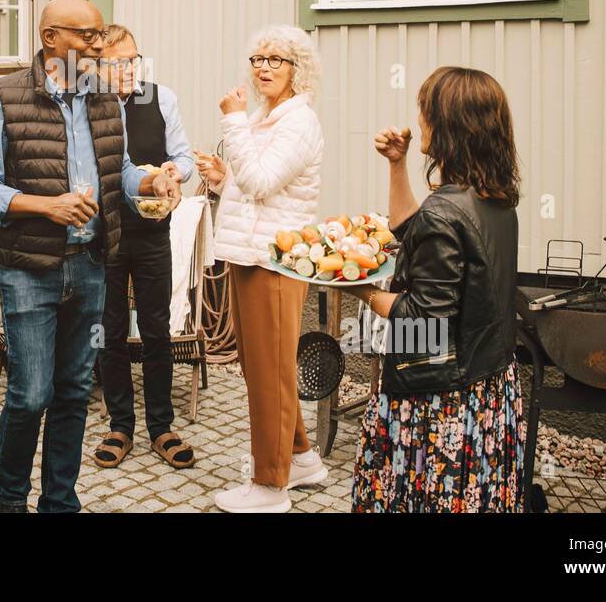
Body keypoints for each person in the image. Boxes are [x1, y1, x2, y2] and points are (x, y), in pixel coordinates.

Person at [0, 0, 180, 513]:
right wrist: (44, 206)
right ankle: (11, 498)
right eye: (88, 36)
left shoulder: (106, 98)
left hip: (90, 266)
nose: (98, 45)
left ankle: (60, 500)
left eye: (100, 35)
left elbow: (118, 169)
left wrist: (148, 178)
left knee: (74, 391)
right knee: (30, 394)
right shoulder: (5, 98)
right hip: (29, 269)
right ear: (51, 37)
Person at [345, 67, 524, 513]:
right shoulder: (493, 197)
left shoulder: (445, 211)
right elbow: (412, 231)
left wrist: (360, 289)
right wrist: (396, 164)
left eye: (426, 111)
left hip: (440, 402)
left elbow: (423, 320)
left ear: (448, 126)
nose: (419, 119)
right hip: (490, 389)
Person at [195, 25, 326, 513]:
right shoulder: (267, 116)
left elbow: (263, 181)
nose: (263, 68)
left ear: (297, 68)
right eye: (257, 59)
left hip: (273, 262)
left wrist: (232, 124)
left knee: (269, 371)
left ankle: (271, 486)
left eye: (276, 59)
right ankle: (302, 458)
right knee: (262, 367)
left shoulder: (297, 121)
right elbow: (252, 184)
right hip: (248, 255)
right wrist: (223, 176)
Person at [92, 24, 196, 470]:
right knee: (109, 330)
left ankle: (161, 427)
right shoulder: (87, 105)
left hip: (154, 231)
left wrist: (175, 170)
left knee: (157, 329)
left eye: (132, 59)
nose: (127, 69)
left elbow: (186, 158)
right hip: (105, 234)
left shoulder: (161, 98)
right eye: (116, 62)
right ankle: (120, 425)